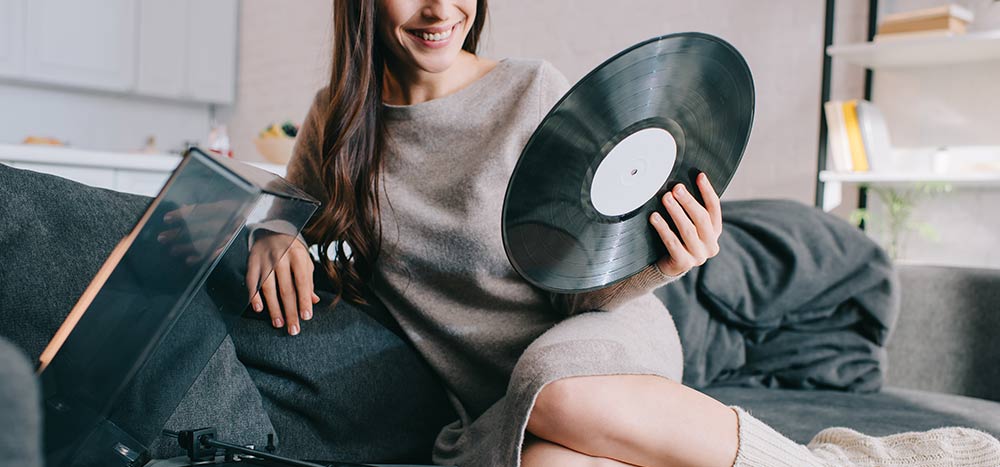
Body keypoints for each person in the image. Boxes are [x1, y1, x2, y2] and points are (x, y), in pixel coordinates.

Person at [247, 1, 1000, 466]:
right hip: (490, 394)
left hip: (596, 333)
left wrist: (672, 259)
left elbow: (590, 272)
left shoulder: (530, 88)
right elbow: (284, 199)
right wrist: (275, 233)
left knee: (558, 393)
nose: (441, 8)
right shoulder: (339, 121)